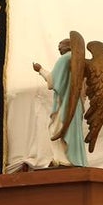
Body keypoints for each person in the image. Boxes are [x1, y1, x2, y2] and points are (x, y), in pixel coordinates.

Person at [34, 38, 87, 167]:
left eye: (60, 45)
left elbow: (52, 81)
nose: (59, 48)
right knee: (72, 131)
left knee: (55, 129)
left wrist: (40, 69)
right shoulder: (79, 61)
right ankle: (72, 159)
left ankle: (63, 160)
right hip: (76, 104)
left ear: (68, 46)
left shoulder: (64, 59)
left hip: (66, 104)